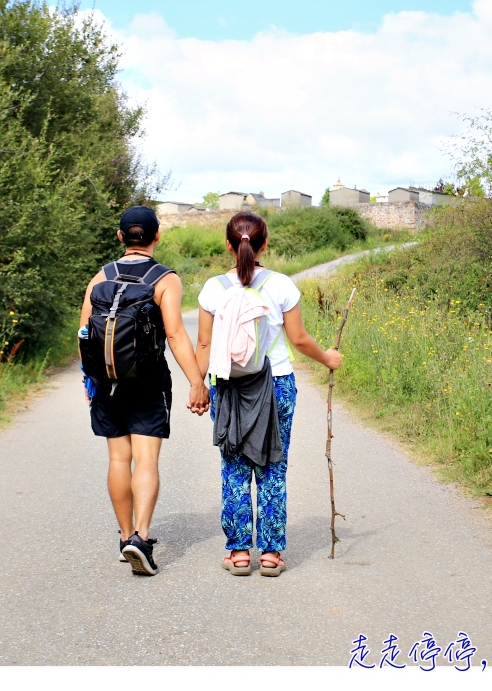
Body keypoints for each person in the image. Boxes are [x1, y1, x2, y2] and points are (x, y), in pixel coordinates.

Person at [195, 211, 343, 576]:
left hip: (227, 384)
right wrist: (328, 358)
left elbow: (203, 343)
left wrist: (198, 384)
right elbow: (299, 339)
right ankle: (272, 554)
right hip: (275, 383)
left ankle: (240, 553)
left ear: (228, 245)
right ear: (265, 244)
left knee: (233, 467)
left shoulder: (213, 289)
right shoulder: (281, 286)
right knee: (273, 466)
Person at [79, 206, 209, 576]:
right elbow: (175, 334)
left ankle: (124, 538)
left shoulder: (99, 277)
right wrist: (196, 381)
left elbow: (85, 332)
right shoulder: (164, 279)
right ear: (157, 236)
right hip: (149, 382)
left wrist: (91, 378)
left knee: (119, 459)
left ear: (120, 237)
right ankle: (142, 537)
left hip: (108, 382)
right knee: (146, 460)